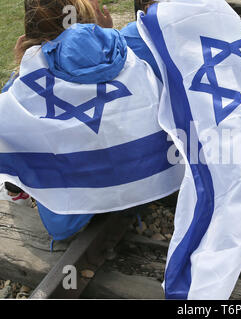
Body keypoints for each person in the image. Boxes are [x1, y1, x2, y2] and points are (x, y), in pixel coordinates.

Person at [0, 0, 182, 243]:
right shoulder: (128, 43)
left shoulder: (21, 87)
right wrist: (108, 32)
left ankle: (20, 193)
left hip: (72, 216)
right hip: (154, 173)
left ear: (30, 34)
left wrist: (23, 67)